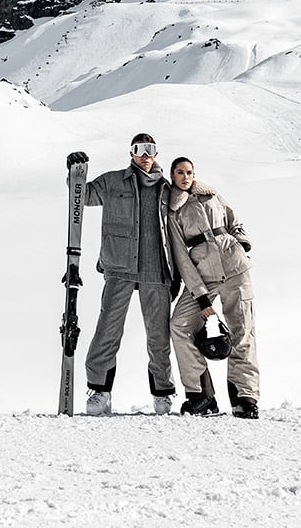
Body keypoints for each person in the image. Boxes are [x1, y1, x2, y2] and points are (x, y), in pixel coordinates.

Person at [67, 133, 181, 415]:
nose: (145, 155)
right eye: (139, 149)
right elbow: (82, 196)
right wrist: (74, 174)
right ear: (131, 153)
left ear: (156, 153)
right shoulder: (113, 181)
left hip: (157, 270)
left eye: (150, 149)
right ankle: (100, 391)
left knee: (159, 336)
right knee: (108, 331)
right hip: (119, 267)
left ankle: (163, 394)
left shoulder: (168, 189)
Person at [166, 156, 260, 419]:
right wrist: (202, 299)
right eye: (180, 172)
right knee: (179, 325)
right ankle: (201, 396)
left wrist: (241, 244)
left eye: (189, 172)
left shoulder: (212, 195)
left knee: (243, 332)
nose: (186, 177)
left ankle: (246, 398)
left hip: (235, 268)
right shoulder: (173, 211)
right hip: (204, 276)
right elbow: (181, 258)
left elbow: (234, 220)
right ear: (172, 176)